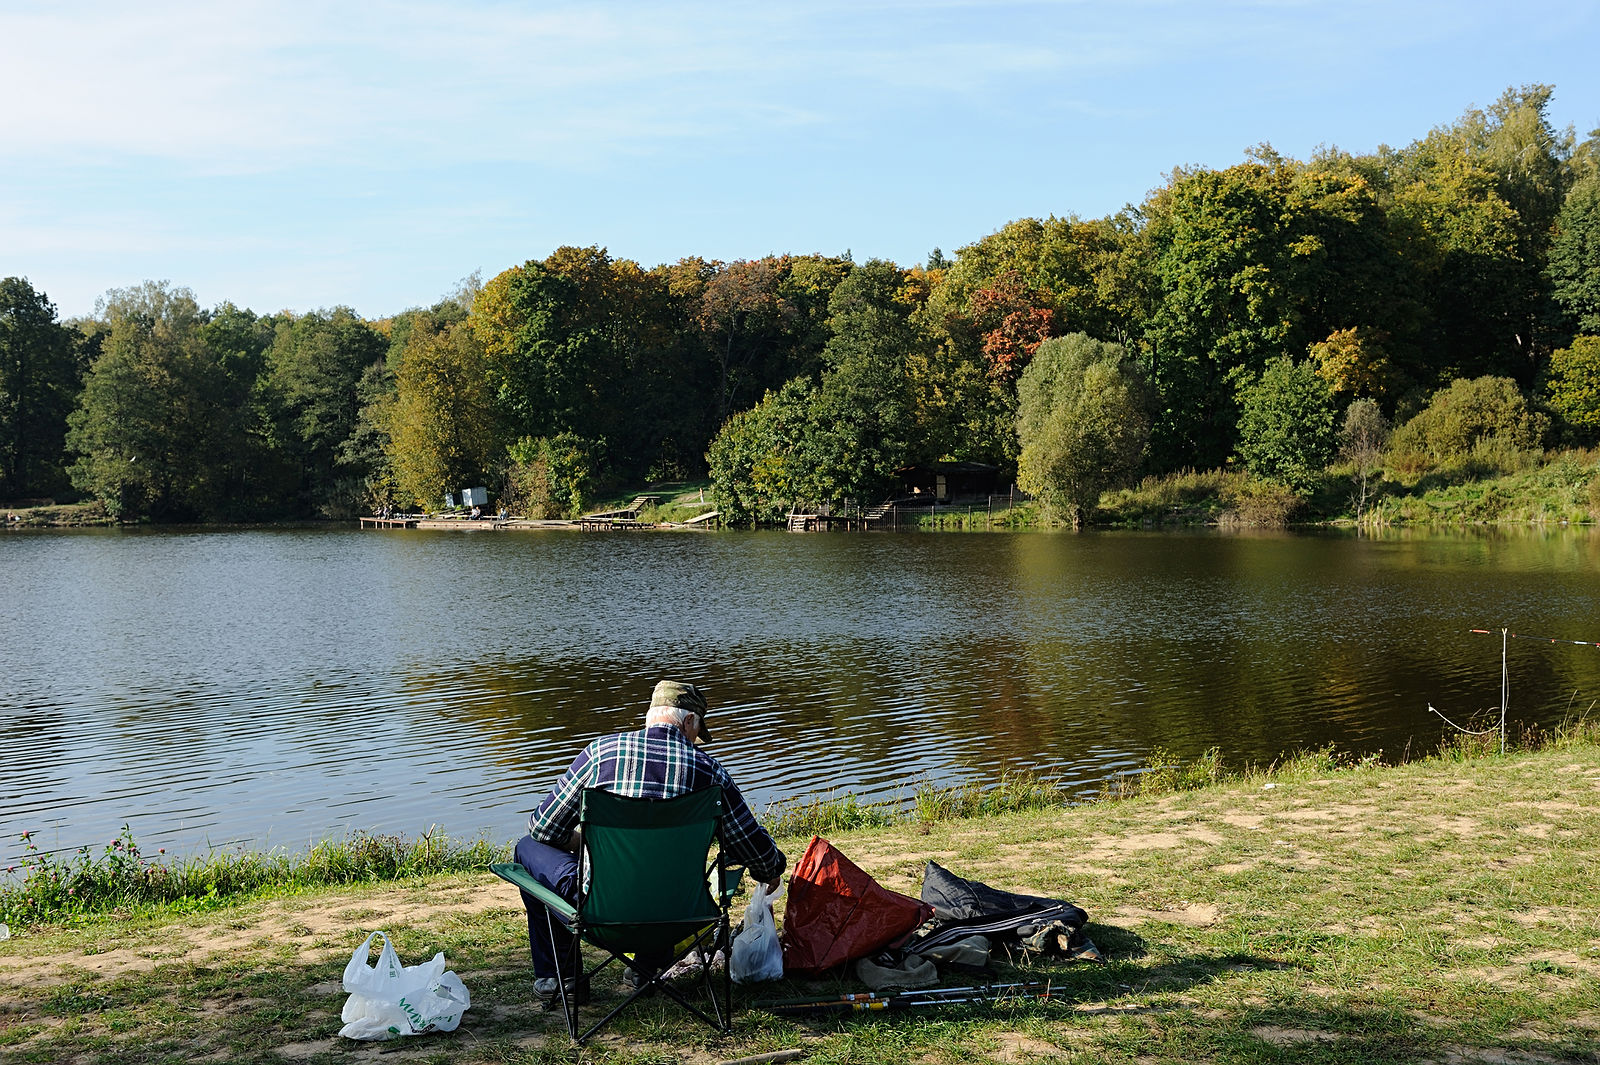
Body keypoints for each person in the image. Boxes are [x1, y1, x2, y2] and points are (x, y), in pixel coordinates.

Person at [513, 681, 786, 1005]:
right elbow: (753, 848)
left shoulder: (599, 755)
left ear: (651, 716)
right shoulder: (710, 773)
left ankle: (563, 978)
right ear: (687, 722)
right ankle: (646, 967)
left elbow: (543, 828)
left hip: (597, 915)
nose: (696, 741)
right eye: (698, 731)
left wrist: (576, 841)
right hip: (679, 916)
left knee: (527, 846)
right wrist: (771, 870)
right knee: (660, 877)